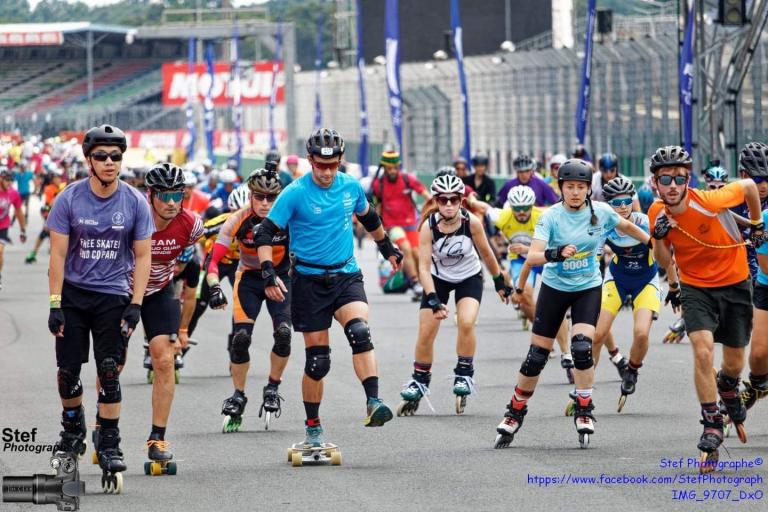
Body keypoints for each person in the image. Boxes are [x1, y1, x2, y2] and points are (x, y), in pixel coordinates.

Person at [255, 128, 403, 450]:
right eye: (320, 165)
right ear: (310, 160)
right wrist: (268, 273)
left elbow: (369, 217)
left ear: (340, 161)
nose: (326, 172)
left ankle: (373, 402)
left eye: (332, 165)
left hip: (345, 274)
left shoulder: (350, 186)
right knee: (318, 362)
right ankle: (313, 428)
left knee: (360, 332)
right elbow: (264, 233)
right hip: (308, 281)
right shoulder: (294, 193)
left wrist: (387, 248)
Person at [493, 159, 651, 449]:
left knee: (581, 348)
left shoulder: (601, 212)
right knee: (536, 357)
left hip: (587, 288)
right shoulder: (551, 217)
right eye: (570, 187)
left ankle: (584, 408)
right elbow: (533, 256)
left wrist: (654, 243)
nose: (575, 192)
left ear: (589, 189)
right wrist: (556, 254)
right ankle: (514, 413)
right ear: (561, 188)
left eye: (581, 187)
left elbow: (629, 227)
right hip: (554, 288)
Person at [46, 125, 153, 493]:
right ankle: (72, 427)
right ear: (88, 160)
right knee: (68, 373)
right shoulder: (69, 199)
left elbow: (143, 256)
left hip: (113, 296)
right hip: (74, 295)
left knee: (109, 371)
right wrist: (55, 304)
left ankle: (108, 442)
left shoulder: (135, 202)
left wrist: (136, 304)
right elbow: (57, 255)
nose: (110, 162)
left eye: (116, 157)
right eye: (102, 156)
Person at [647, 145, 764, 469]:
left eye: (679, 178)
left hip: (735, 283)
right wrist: (658, 236)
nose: (672, 185)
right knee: (702, 351)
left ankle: (728, 386)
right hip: (696, 288)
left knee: (734, 363)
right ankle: (712, 422)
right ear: (655, 182)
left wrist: (756, 224)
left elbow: (749, 186)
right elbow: (663, 259)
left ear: (688, 180)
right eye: (665, 179)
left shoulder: (711, 201)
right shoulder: (657, 212)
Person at [397, 173, 509, 416]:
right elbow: (423, 268)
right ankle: (419, 379)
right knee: (426, 330)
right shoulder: (428, 227)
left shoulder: (472, 222)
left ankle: (464, 374)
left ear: (461, 200)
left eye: (454, 199)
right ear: (435, 201)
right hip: (437, 279)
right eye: (443, 200)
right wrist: (433, 298)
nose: (448, 205)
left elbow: (487, 254)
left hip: (469, 276)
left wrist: (499, 281)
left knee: (466, 322)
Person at [208, 170, 293, 432]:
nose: (265, 203)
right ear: (250, 197)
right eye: (259, 197)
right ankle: (238, 395)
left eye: (271, 197)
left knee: (283, 334)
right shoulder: (237, 219)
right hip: (248, 280)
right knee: (241, 339)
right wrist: (214, 287)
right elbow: (213, 261)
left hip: (281, 278)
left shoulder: (288, 219)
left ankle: (272, 388)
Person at [134, 163, 203, 472]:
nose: (172, 202)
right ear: (151, 195)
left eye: (178, 195)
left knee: (164, 361)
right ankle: (104, 428)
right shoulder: (134, 216)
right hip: (123, 289)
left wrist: (183, 327)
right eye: (165, 195)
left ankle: (157, 440)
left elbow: (186, 266)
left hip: (159, 290)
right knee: (113, 362)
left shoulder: (192, 224)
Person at [592, 176, 679, 412]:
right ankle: (584, 390)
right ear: (608, 204)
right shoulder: (604, 225)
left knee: (641, 334)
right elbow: (594, 261)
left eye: (626, 201)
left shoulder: (645, 222)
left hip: (645, 280)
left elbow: (667, 257)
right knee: (597, 334)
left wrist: (674, 286)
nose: (622, 207)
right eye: (616, 203)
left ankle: (631, 370)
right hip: (617, 279)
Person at [473, 185, 573, 381]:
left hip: (545, 256)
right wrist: (470, 198)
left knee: (557, 302)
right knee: (522, 296)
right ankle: (545, 330)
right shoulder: (503, 216)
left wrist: (527, 249)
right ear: (510, 207)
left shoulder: (544, 215)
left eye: (525, 208)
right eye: (517, 209)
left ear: (532, 205)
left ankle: (566, 354)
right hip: (520, 260)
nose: (521, 212)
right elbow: (484, 208)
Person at [370, 150, 431, 299]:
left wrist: (434, 206)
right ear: (384, 168)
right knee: (406, 248)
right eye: (389, 168)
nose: (392, 171)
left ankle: (423, 287)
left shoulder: (408, 179)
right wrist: (376, 230)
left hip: (411, 224)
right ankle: (415, 282)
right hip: (392, 226)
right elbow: (377, 207)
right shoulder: (378, 184)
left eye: (395, 168)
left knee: (417, 253)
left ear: (398, 167)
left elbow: (426, 194)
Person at [735, 142, 768, 413]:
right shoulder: (731, 200)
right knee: (757, 355)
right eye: (757, 180)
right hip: (748, 276)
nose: (764, 185)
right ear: (743, 176)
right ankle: (758, 384)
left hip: (760, 273)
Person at [25, 167, 65, 264]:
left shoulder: (61, 187)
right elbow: (50, 203)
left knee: (51, 235)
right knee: (45, 234)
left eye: (59, 177)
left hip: (58, 215)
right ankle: (34, 253)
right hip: (50, 214)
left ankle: (36, 253)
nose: (59, 179)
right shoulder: (49, 189)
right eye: (56, 178)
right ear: (52, 179)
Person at [0, 167, 27, 291]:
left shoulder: (13, 193)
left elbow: (19, 212)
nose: (9, 182)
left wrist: (23, 230)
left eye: (11, 180)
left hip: (3, 226)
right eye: (6, 179)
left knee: (0, 251)